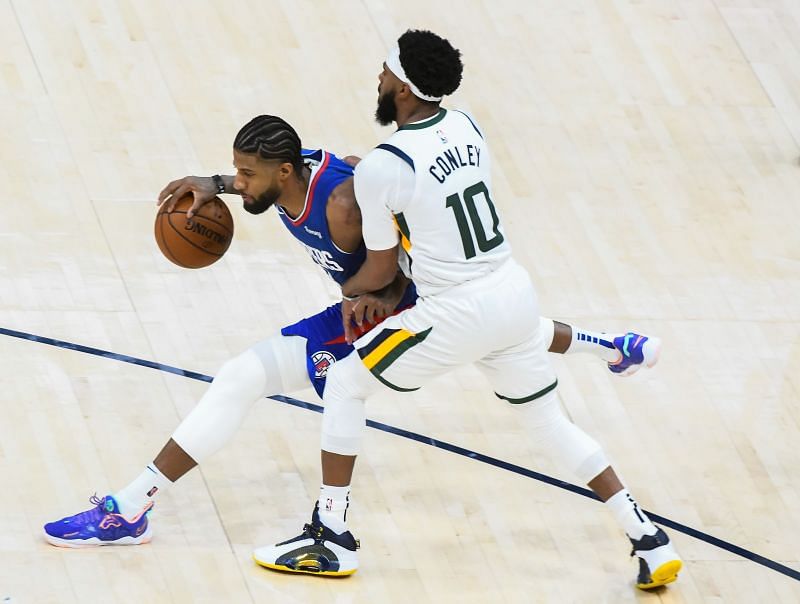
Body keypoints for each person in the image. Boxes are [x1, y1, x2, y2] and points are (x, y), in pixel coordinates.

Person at [42, 114, 660, 574]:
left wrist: (382, 297)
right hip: (473, 307)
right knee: (513, 337)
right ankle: (611, 346)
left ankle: (136, 508)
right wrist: (209, 182)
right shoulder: (294, 167)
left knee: (245, 378)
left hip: (404, 308)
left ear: (284, 173)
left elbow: (393, 258)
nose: (239, 182)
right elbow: (268, 172)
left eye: (245, 175)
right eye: (238, 171)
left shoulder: (341, 202)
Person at [253, 30, 681, 591]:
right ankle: (646, 537)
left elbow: (380, 269)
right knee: (550, 423)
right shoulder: (467, 126)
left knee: (345, 384)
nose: (377, 80)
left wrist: (351, 292)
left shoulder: (385, 163)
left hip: (455, 310)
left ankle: (329, 536)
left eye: (384, 73)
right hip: (510, 289)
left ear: (403, 88)